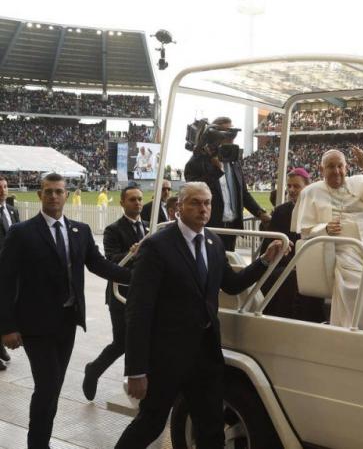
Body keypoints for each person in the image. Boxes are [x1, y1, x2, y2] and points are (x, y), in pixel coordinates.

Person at [115, 182, 287, 448]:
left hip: (205, 355)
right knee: (150, 424)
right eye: (195, 202)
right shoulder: (157, 247)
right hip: (166, 357)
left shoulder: (214, 243)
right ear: (178, 207)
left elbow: (231, 284)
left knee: (211, 430)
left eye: (207, 203)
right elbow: (138, 310)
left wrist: (264, 261)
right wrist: (136, 370)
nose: (203, 209)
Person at [0, 173, 131, 449]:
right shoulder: (21, 233)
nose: (54, 196)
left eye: (59, 191)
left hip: (67, 324)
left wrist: (135, 276)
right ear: (40, 195)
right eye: (48, 191)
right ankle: (37, 444)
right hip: (35, 326)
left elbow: (99, 265)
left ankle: (41, 441)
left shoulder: (80, 231)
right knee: (47, 388)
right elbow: (5, 280)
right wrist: (7, 327)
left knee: (53, 389)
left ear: (66, 195)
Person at [291, 146, 363, 329]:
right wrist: (325, 229)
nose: (337, 171)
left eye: (341, 166)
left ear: (346, 167)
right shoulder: (311, 192)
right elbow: (305, 231)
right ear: (321, 169)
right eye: (331, 166)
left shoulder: (361, 182)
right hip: (344, 250)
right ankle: (360, 332)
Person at [83, 186, 148, 401]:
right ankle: (94, 371)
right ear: (122, 203)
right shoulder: (113, 230)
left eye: (139, 199)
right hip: (120, 294)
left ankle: (137, 380)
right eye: (132, 199)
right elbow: (110, 260)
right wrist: (134, 253)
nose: (137, 203)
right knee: (122, 342)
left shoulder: (149, 229)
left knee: (139, 338)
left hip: (143, 294)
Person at [184, 116, 271, 250]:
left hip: (232, 230)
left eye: (233, 134)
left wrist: (260, 213)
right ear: (213, 136)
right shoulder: (197, 162)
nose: (232, 138)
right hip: (208, 230)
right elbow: (194, 193)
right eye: (227, 134)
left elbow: (243, 194)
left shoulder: (233, 161)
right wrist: (215, 170)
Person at [260, 168, 324, 321]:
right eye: (289, 186)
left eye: (296, 186)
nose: (291, 190)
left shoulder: (317, 211)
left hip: (310, 266)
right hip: (283, 265)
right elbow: (268, 246)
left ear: (307, 187)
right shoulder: (280, 211)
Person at [0, 176, 19, 371]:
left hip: (9, 269)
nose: (3, 190)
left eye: (5, 187)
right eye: (0, 187)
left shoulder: (12, 210)